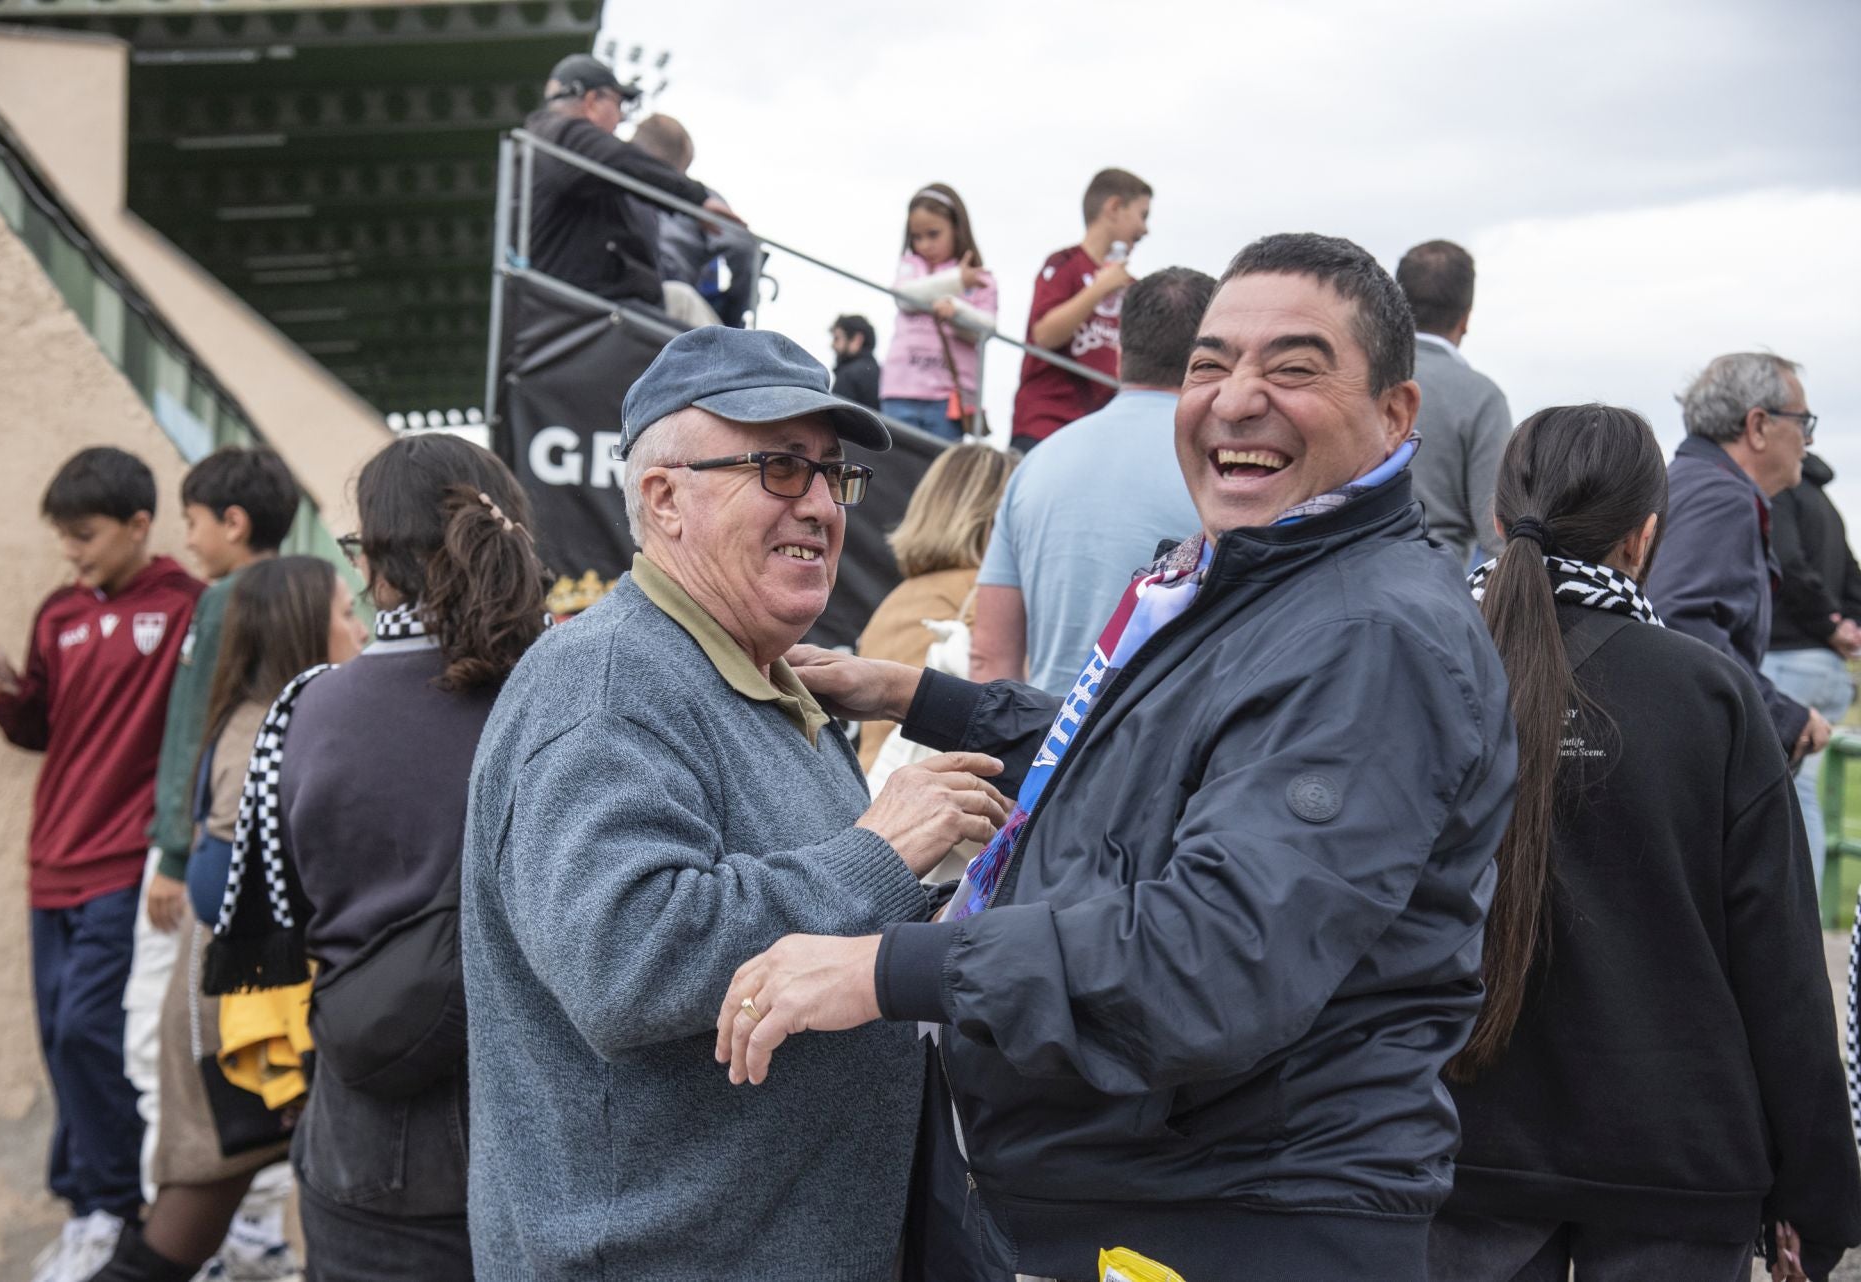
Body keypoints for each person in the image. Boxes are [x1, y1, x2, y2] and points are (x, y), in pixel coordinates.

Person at [716, 234, 1519, 1282]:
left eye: (1293, 367)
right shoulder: (1267, 574)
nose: (1236, 399)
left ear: (1397, 416)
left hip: (1237, 1213)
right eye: (1209, 363)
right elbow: (1153, 755)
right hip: (1155, 1187)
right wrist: (924, 693)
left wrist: (884, 968)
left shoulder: (1370, 632)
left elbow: (1214, 954)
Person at [460, 327, 1010, 1279]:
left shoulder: (755, 679)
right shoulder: (604, 685)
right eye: (778, 468)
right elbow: (627, 958)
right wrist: (880, 854)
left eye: (830, 475)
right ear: (664, 499)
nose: (820, 507)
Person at [1434, 404, 1861, 1282]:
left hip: (1454, 1156)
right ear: (1644, 537)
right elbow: (1778, 970)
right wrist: (1816, 1201)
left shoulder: (1423, 675)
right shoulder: (1710, 695)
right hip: (1683, 1169)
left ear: (1497, 522)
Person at [205, 434, 548, 1279]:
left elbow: (267, 923)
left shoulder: (304, 711)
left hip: (368, 1140)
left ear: (373, 558)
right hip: (555, 1132)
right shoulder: (561, 691)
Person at [0, 447, 203, 1282]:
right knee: (63, 1043)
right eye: (63, 537)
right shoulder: (58, 612)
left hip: (128, 866)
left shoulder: (186, 607)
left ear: (140, 525)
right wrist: (5, 687)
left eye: (85, 535)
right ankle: (92, 1204)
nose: (72, 551)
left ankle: (117, 1208)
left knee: (88, 1031)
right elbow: (41, 726)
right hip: (50, 860)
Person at [97, 556, 365, 1282]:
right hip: (239, 1019)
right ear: (299, 630)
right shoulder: (258, 742)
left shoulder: (266, 719)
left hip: (246, 1004)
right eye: (345, 613)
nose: (361, 629)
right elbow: (220, 891)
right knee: (183, 1225)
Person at [121, 447, 301, 1266]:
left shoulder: (225, 598)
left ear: (233, 522)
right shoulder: (293, 595)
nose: (186, 540)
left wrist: (169, 849)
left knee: (161, 1048)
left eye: (192, 522)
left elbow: (189, 735)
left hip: (201, 868)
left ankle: (193, 1229)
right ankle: (249, 1226)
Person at [969, 267, 1210, 693]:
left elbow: (991, 658)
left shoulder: (1036, 465)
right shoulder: (1225, 472)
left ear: (1119, 351)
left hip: (1047, 746)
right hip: (1173, 750)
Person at [1650, 352, 1827, 762]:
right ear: (1759, 425)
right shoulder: (1723, 496)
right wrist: (1783, 716)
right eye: (1803, 422)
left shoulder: (1687, 482)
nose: (1810, 440)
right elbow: (1678, 620)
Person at [524, 54, 740, 318]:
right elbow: (618, 157)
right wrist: (695, 199)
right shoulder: (558, 134)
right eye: (618, 104)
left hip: (595, 301)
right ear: (592, 102)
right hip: (590, 307)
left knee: (679, 300)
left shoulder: (559, 150)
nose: (620, 118)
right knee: (687, 307)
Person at [857, 442, 1017, 778]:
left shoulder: (898, 598)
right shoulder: (985, 598)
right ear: (999, 519)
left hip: (870, 786)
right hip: (937, 800)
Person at [1764, 448, 1861, 909]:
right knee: (1806, 799)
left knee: (1780, 802)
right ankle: (1808, 921)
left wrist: (1828, 623)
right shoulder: (1829, 507)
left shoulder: (1786, 494)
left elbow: (1787, 563)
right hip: (1829, 670)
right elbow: (1854, 577)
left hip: (1787, 661)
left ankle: (1794, 924)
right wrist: (1847, 629)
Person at [1008, 168, 1152, 453]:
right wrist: (1099, 289)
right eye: (1142, 215)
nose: (1146, 229)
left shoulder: (1135, 289)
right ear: (1114, 207)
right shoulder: (1065, 264)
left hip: (1100, 436)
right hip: (1045, 426)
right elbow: (1045, 335)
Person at [1394, 240, 1513, 569]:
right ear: (1465, 318)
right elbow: (1499, 534)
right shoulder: (1481, 397)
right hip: (1439, 592)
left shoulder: (1355, 382)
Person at [878, 183, 999, 441]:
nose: (924, 244)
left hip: (948, 398)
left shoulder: (980, 278)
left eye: (933, 234)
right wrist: (956, 281)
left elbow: (987, 328)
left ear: (957, 228)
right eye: (917, 237)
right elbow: (904, 298)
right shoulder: (911, 266)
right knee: (894, 473)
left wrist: (956, 311)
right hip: (901, 390)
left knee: (939, 476)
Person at [629, 113, 757, 328]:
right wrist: (734, 314)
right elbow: (743, 247)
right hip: (665, 297)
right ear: (680, 166)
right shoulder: (700, 197)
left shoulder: (602, 174)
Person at [831, 314, 882, 411]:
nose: (833, 345)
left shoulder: (848, 375)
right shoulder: (882, 373)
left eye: (837, 338)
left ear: (857, 339)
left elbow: (836, 414)